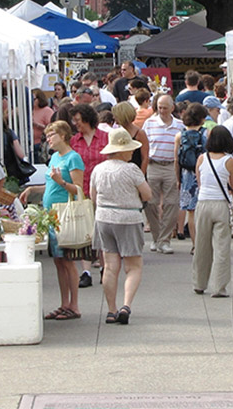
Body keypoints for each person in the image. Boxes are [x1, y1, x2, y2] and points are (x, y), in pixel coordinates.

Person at [19, 121, 85, 321]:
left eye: (51, 135)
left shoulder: (73, 158)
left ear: (64, 135)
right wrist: (33, 189)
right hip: (51, 214)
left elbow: (78, 188)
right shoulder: (55, 157)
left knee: (67, 261)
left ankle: (73, 305)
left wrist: (61, 182)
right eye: (47, 136)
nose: (48, 139)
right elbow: (50, 185)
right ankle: (64, 303)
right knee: (58, 261)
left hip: (64, 214)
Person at [90, 128, 152, 325]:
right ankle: (126, 305)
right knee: (133, 266)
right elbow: (147, 194)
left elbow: (93, 196)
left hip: (104, 217)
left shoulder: (98, 169)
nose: (132, 152)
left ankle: (111, 309)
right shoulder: (131, 170)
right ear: (122, 150)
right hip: (128, 218)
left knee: (109, 266)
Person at [192, 126, 233, 297]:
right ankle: (219, 287)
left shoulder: (201, 158)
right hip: (221, 204)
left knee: (201, 245)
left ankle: (199, 283)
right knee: (221, 247)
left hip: (203, 203)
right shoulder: (229, 160)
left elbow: (199, 182)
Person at [69, 103, 109, 286]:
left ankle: (103, 266)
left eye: (78, 120)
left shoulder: (105, 138)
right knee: (86, 231)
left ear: (87, 119)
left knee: (101, 230)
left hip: (102, 190)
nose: (75, 123)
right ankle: (86, 271)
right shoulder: (74, 141)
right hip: (82, 190)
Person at [142, 94, 185, 254]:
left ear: (172, 108)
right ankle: (156, 237)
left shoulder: (180, 125)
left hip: (171, 167)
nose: (162, 111)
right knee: (150, 203)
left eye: (165, 108)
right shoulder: (149, 123)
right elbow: (144, 145)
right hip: (153, 165)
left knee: (172, 204)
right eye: (159, 107)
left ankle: (165, 240)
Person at [175, 103, 208, 247]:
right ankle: (203, 243)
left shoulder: (179, 135)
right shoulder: (206, 133)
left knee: (191, 213)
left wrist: (178, 179)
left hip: (187, 175)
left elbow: (176, 159)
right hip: (203, 174)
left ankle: (195, 245)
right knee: (203, 212)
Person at [112, 102, 149, 174]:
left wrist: (141, 175)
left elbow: (145, 158)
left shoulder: (140, 133)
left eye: (115, 115)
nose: (113, 118)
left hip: (136, 172)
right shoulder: (117, 132)